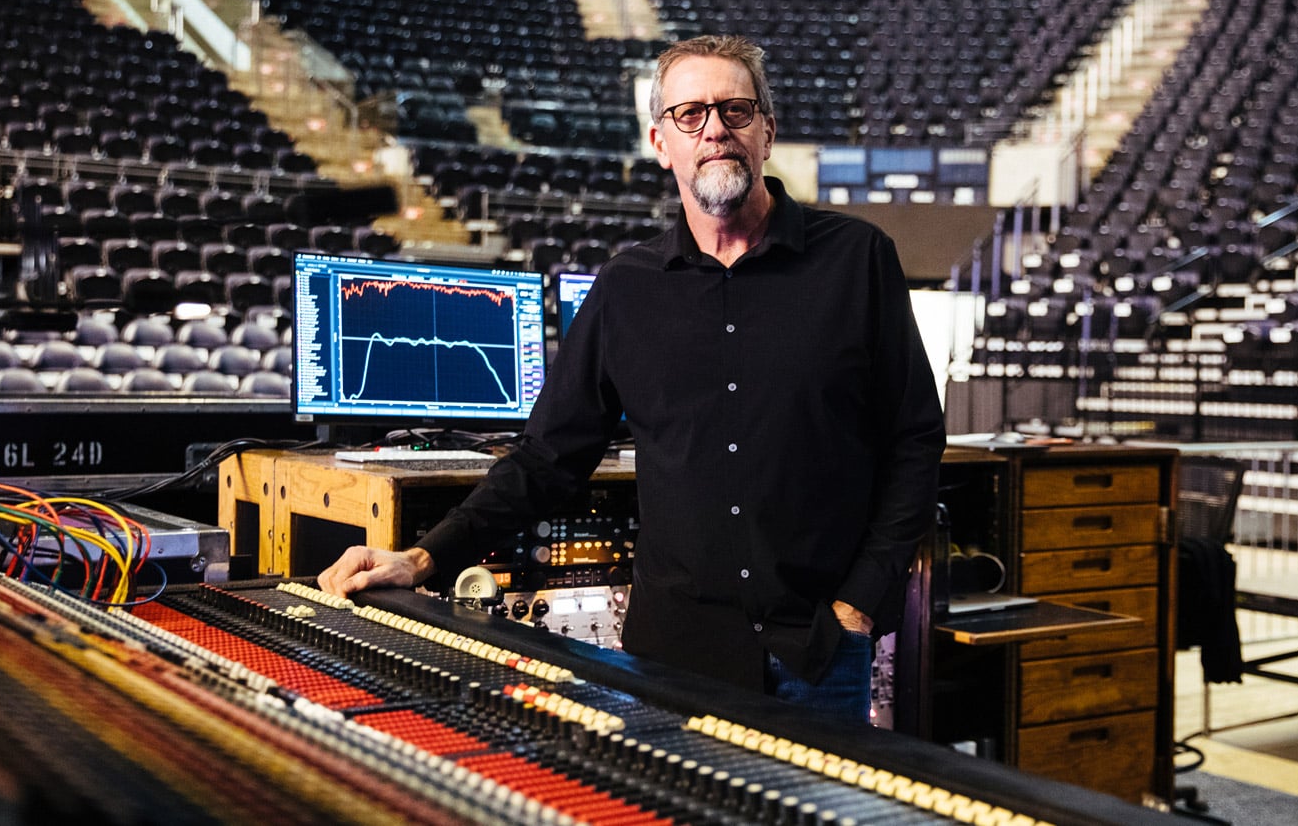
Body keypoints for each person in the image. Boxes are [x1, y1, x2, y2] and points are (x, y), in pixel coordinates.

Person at [318, 35, 947, 724]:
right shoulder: (626, 287)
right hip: (674, 656)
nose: (714, 129)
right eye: (690, 114)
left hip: (820, 653)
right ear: (660, 142)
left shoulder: (858, 259)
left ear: (767, 131)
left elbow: (914, 440)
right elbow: (548, 459)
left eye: (735, 110)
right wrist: (421, 560)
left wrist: (859, 605)